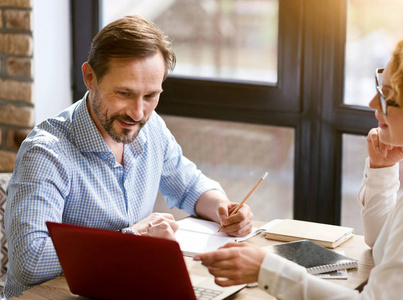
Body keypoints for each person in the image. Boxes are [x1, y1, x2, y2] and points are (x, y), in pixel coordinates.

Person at [195, 30, 403, 299]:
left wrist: (266, 270)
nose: (372, 103)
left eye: (387, 96)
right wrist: (382, 171)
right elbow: (383, 244)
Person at [4, 16, 253, 298]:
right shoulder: (46, 152)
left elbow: (189, 186)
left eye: (150, 96)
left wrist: (225, 208)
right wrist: (132, 239)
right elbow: (30, 261)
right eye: (124, 93)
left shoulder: (152, 127)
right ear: (90, 78)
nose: (137, 113)